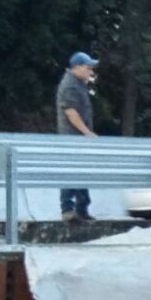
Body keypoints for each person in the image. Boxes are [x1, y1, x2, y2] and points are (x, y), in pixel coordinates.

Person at [56, 51, 98, 221]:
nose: (91, 71)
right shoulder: (70, 85)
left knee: (81, 171)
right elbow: (71, 112)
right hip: (72, 137)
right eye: (88, 68)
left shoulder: (79, 83)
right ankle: (68, 209)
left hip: (78, 137)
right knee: (71, 171)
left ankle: (81, 209)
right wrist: (86, 132)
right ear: (78, 67)